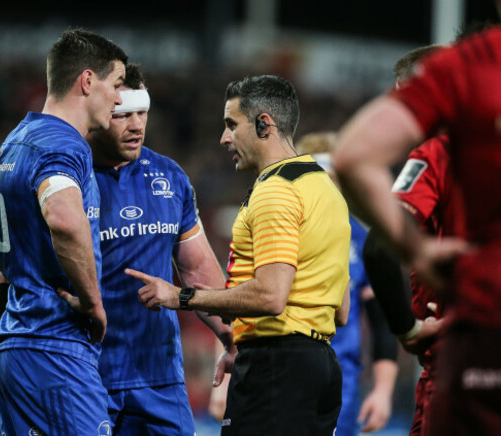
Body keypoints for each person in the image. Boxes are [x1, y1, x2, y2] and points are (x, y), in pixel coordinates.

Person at [126, 75, 351, 435]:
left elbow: (271, 295)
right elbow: (341, 310)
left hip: (277, 368)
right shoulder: (326, 189)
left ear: (264, 124)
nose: (224, 138)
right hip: (319, 366)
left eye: (232, 125)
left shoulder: (275, 192)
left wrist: (180, 296)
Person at [333, 21, 501, 435]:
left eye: (402, 92)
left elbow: (378, 248)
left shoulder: (439, 151)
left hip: (469, 349)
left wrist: (407, 329)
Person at [0, 28, 127, 435]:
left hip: (13, 346)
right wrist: (93, 302)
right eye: (116, 85)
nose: (118, 99)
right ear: (88, 81)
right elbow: (62, 218)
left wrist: (27, 273)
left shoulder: (15, 142)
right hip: (55, 345)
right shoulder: (65, 144)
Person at [85, 62, 231, 435]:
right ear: (102, 112)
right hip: (87, 376)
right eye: (123, 114)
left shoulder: (170, 177)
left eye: (142, 113)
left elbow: (197, 269)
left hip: (159, 377)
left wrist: (233, 337)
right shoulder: (71, 174)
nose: (136, 125)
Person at [296, 132, 399, 436]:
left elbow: (382, 322)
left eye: (330, 178)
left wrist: (382, 391)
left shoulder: (363, 241)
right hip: (282, 374)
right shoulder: (280, 229)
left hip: (341, 384)